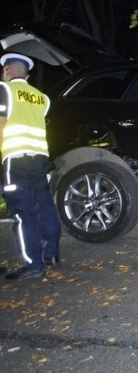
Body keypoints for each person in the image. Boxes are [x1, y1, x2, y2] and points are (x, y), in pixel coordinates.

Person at [0, 52, 62, 281]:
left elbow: (2, 122)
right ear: (26, 73)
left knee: (22, 213)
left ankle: (33, 264)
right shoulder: (41, 97)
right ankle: (52, 255)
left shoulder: (4, 90)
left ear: (7, 70)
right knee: (45, 207)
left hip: (15, 159)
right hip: (39, 159)